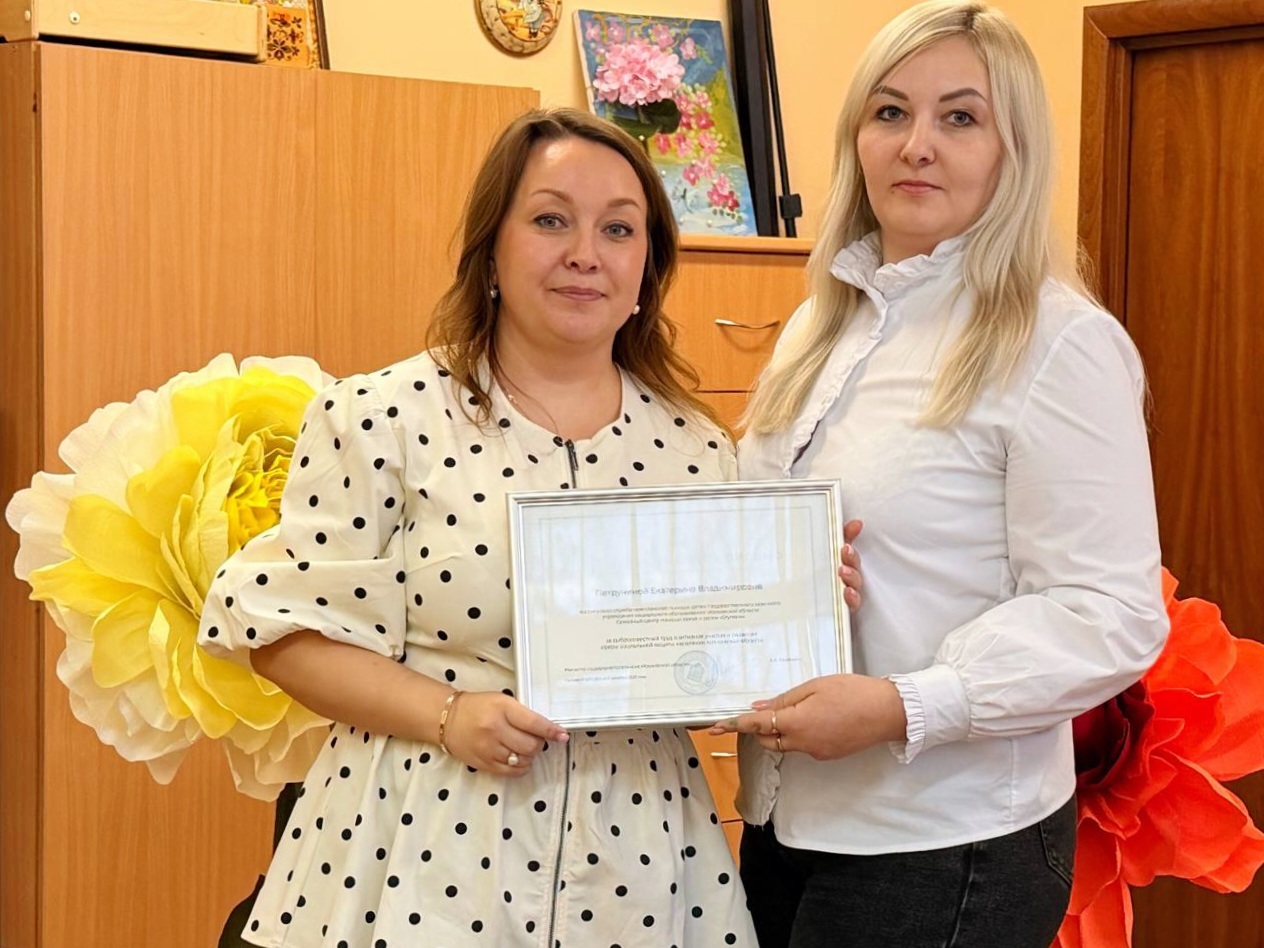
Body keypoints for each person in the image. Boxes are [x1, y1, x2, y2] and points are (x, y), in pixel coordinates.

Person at [198, 107, 759, 947]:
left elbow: (714, 660)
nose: (585, 253)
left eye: (618, 229)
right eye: (550, 220)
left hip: (637, 868)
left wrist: (792, 608)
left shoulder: (698, 450)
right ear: (491, 250)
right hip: (415, 855)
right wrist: (447, 713)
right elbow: (280, 635)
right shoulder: (379, 418)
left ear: (647, 267)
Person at [711, 3, 1169, 946]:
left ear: (1013, 150)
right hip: (786, 818)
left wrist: (901, 706)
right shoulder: (818, 326)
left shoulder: (1060, 343)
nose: (916, 144)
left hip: (944, 842)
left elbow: (1110, 614)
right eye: (890, 112)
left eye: (961, 117)